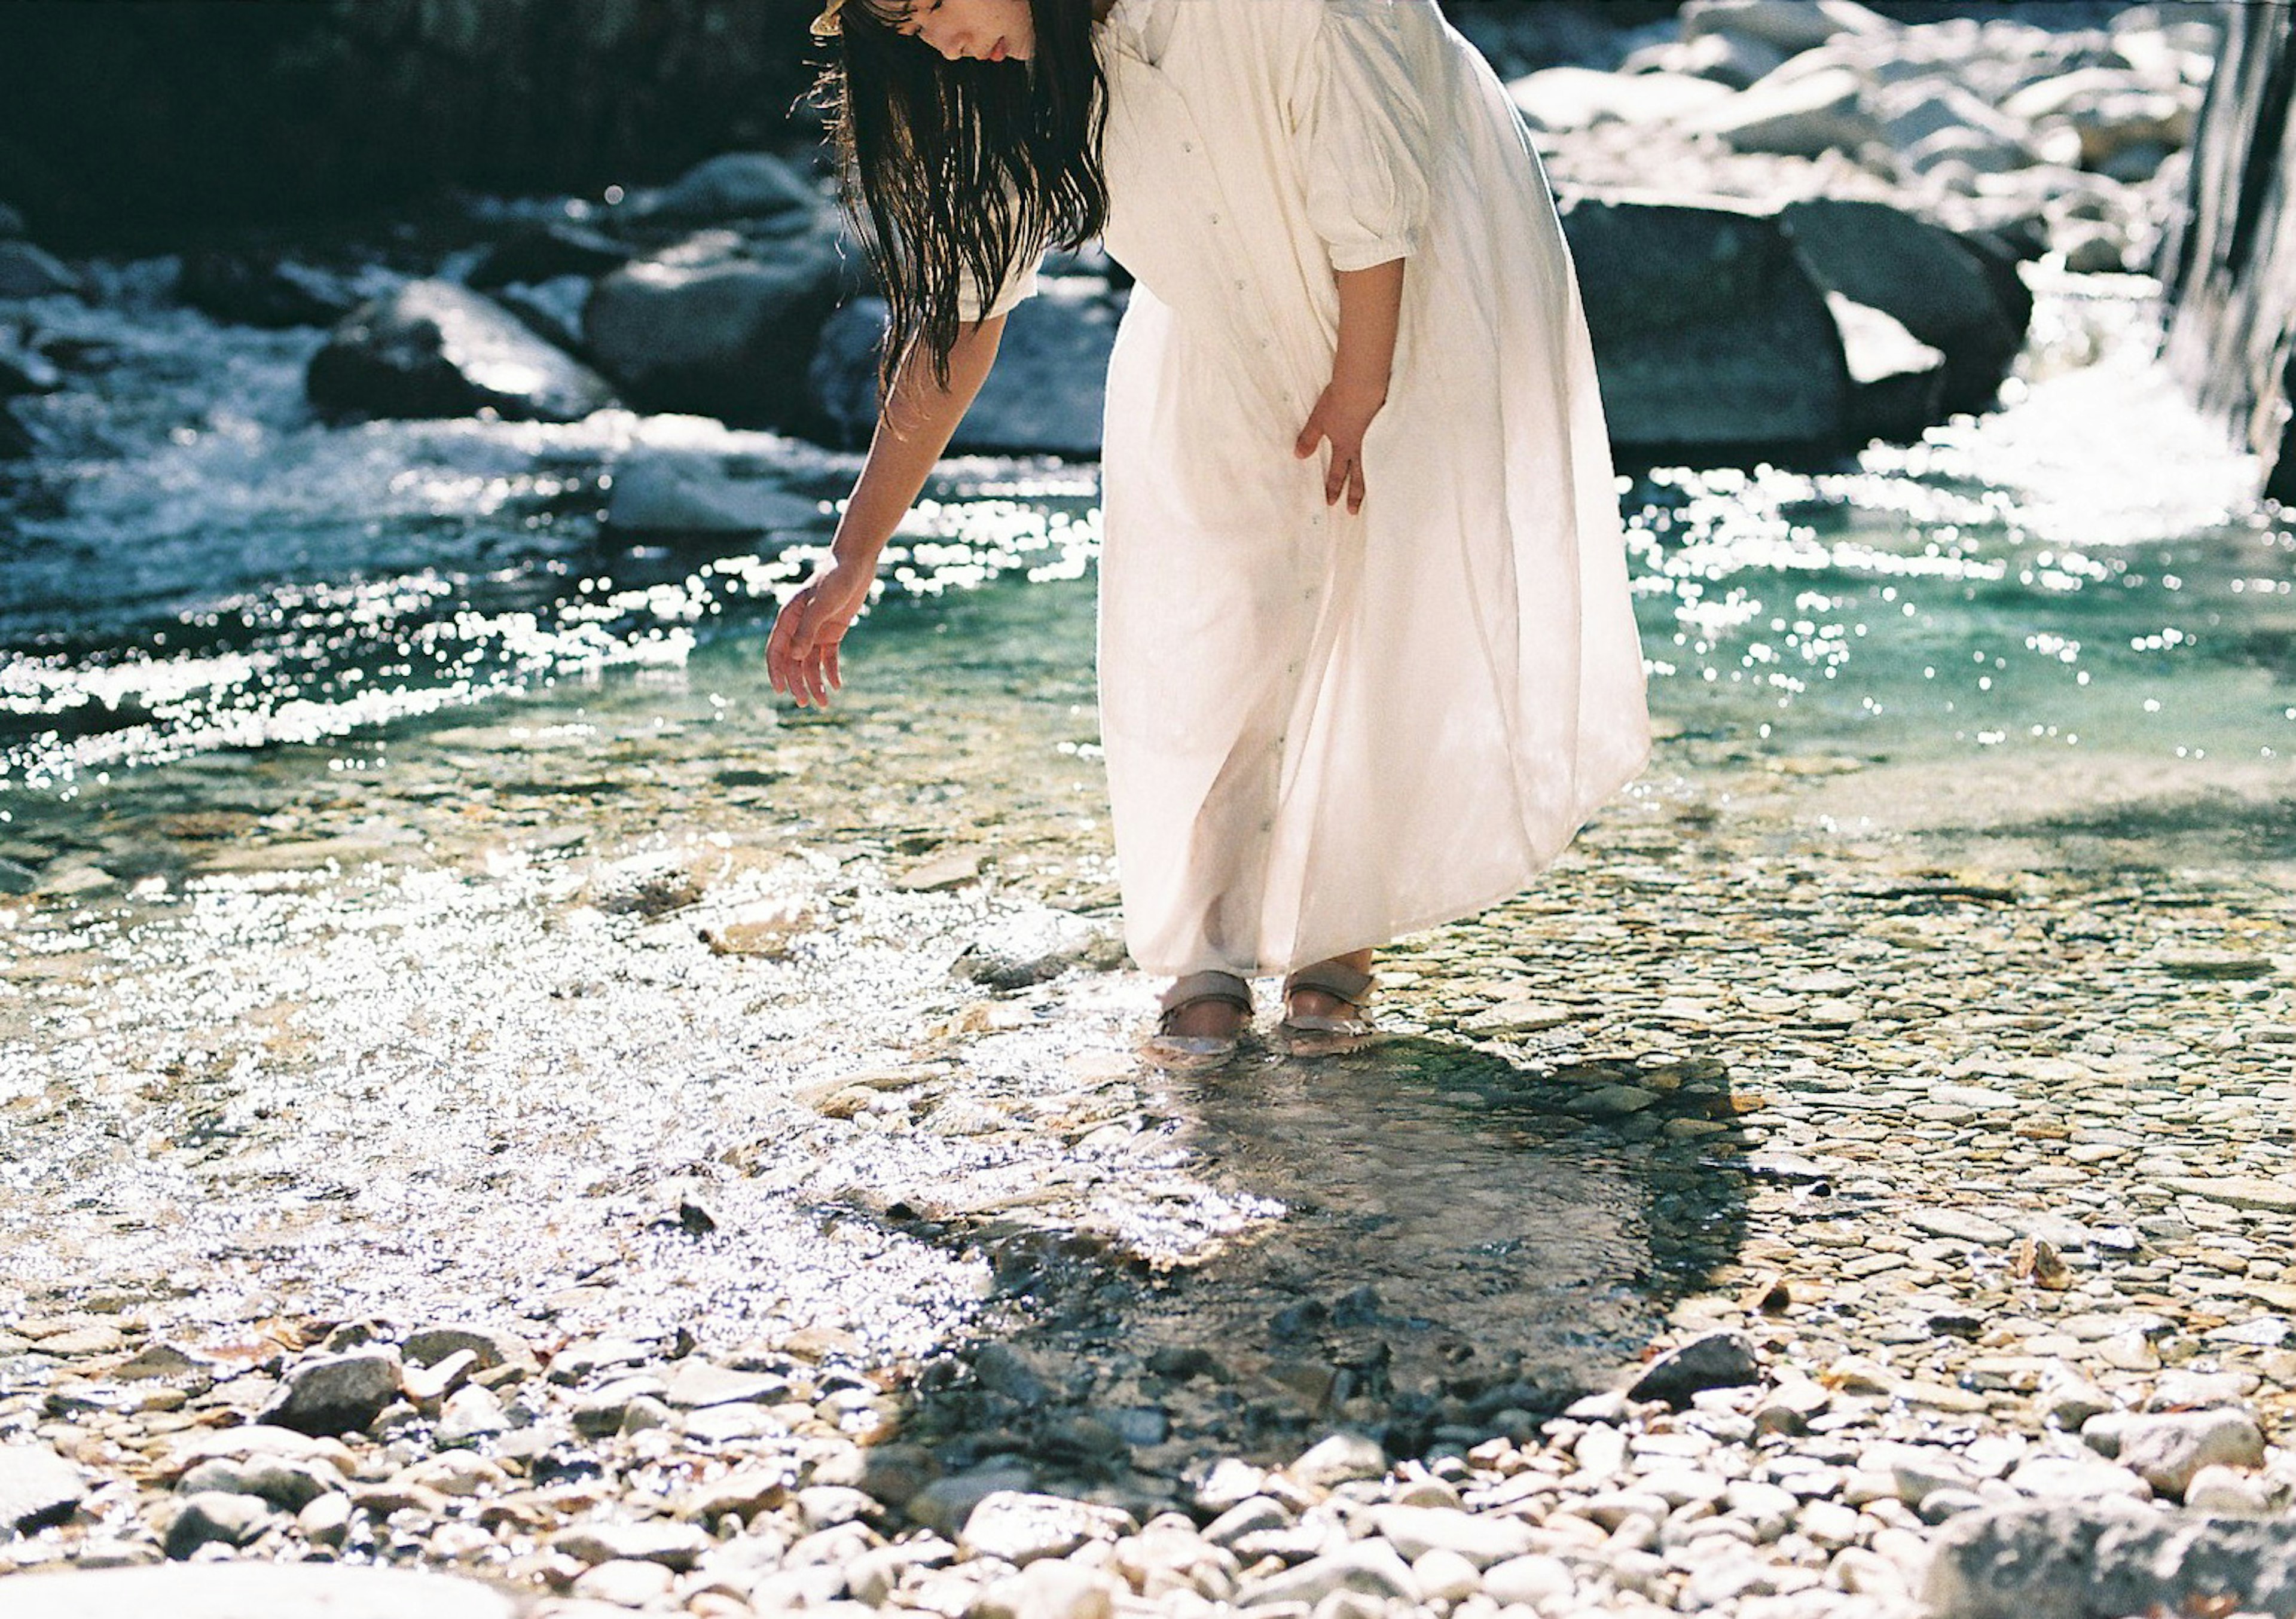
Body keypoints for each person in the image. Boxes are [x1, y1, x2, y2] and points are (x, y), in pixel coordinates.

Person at [767, 0, 1650, 1069]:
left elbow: (1369, 189)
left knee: (1384, 585)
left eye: (932, 9)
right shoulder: (1012, 76)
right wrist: (852, 552)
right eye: (908, 37)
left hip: (1424, 269)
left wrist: (1361, 385)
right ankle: (1207, 954)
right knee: (1218, 608)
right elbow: (961, 316)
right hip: (1218, 310)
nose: (938, 45)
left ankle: (1335, 935)